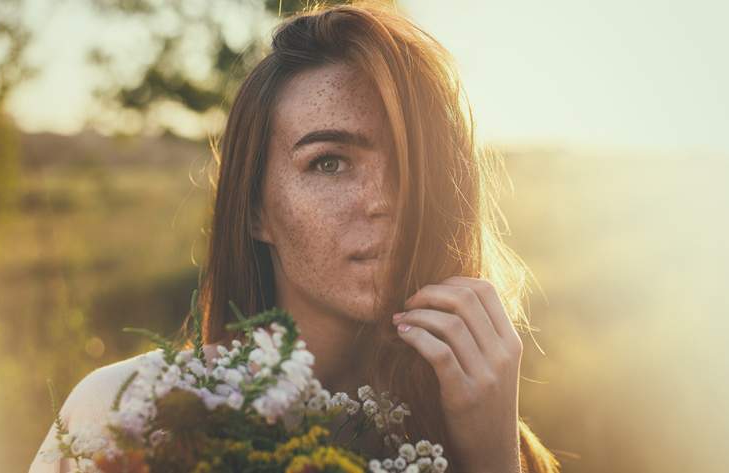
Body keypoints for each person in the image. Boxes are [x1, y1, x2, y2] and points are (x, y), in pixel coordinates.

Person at [29, 2, 562, 472]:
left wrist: (493, 459)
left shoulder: (489, 434)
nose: (383, 201)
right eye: (328, 163)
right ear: (256, 208)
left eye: (412, 164)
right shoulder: (138, 412)